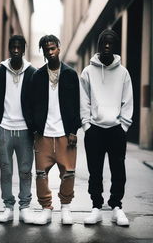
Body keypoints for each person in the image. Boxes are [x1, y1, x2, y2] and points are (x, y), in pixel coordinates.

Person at [80, 29, 133, 226]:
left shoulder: (123, 73)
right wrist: (86, 125)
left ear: (115, 47)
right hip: (94, 129)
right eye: (104, 43)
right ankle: (96, 207)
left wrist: (123, 126)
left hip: (116, 130)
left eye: (111, 43)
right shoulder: (88, 71)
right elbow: (83, 100)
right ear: (99, 46)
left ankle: (117, 207)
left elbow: (128, 101)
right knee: (95, 171)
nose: (107, 46)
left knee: (118, 169)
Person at [30, 35, 80, 225]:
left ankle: (65, 208)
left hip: (65, 134)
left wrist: (74, 130)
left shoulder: (70, 74)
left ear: (59, 48)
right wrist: (35, 127)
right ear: (42, 52)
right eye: (46, 49)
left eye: (53, 48)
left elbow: (76, 104)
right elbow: (31, 104)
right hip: (43, 133)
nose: (50, 52)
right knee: (41, 174)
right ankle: (46, 208)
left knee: (68, 173)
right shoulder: (38, 75)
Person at [0, 35, 36, 223]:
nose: (16, 50)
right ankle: (8, 207)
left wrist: (34, 126)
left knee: (25, 171)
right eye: (12, 47)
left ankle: (25, 207)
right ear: (9, 48)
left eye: (19, 47)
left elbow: (37, 101)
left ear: (23, 49)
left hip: (25, 130)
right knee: (6, 170)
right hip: (4, 129)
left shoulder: (32, 72)